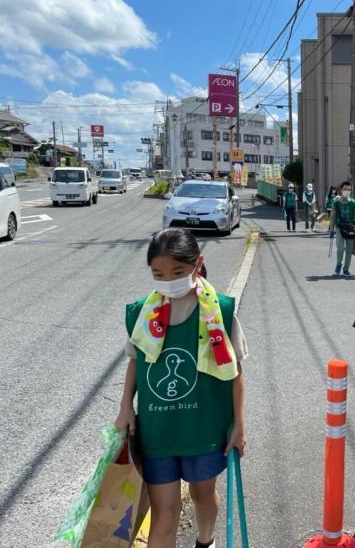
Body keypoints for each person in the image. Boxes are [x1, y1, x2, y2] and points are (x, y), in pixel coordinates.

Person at [115, 228, 248, 548]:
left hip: (204, 428)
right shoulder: (141, 314)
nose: (168, 280)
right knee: (164, 513)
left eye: (177, 271)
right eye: (158, 274)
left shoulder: (221, 311)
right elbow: (136, 361)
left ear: (197, 264)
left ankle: (206, 541)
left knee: (204, 495)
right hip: (158, 431)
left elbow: (235, 370)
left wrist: (240, 424)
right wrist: (125, 407)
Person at [328, 180, 355, 277]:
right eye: (345, 189)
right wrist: (331, 229)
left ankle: (346, 269)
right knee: (341, 248)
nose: (347, 191)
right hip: (339, 227)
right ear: (341, 190)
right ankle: (339, 263)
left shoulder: (354, 203)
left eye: (349, 190)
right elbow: (333, 216)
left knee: (349, 250)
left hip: (351, 228)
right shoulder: (336, 202)